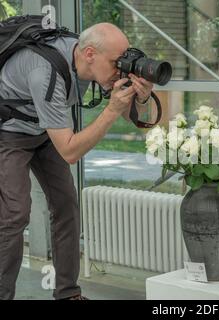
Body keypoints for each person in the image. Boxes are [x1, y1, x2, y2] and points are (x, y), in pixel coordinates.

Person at [0, 22, 155, 300]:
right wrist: (110, 111)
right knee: (15, 212)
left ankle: (68, 294)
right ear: (90, 54)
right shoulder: (44, 71)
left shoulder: (88, 60)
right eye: (115, 62)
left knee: (66, 206)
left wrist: (140, 98)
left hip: (45, 131)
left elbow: (131, 114)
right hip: (9, 132)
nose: (120, 69)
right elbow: (70, 152)